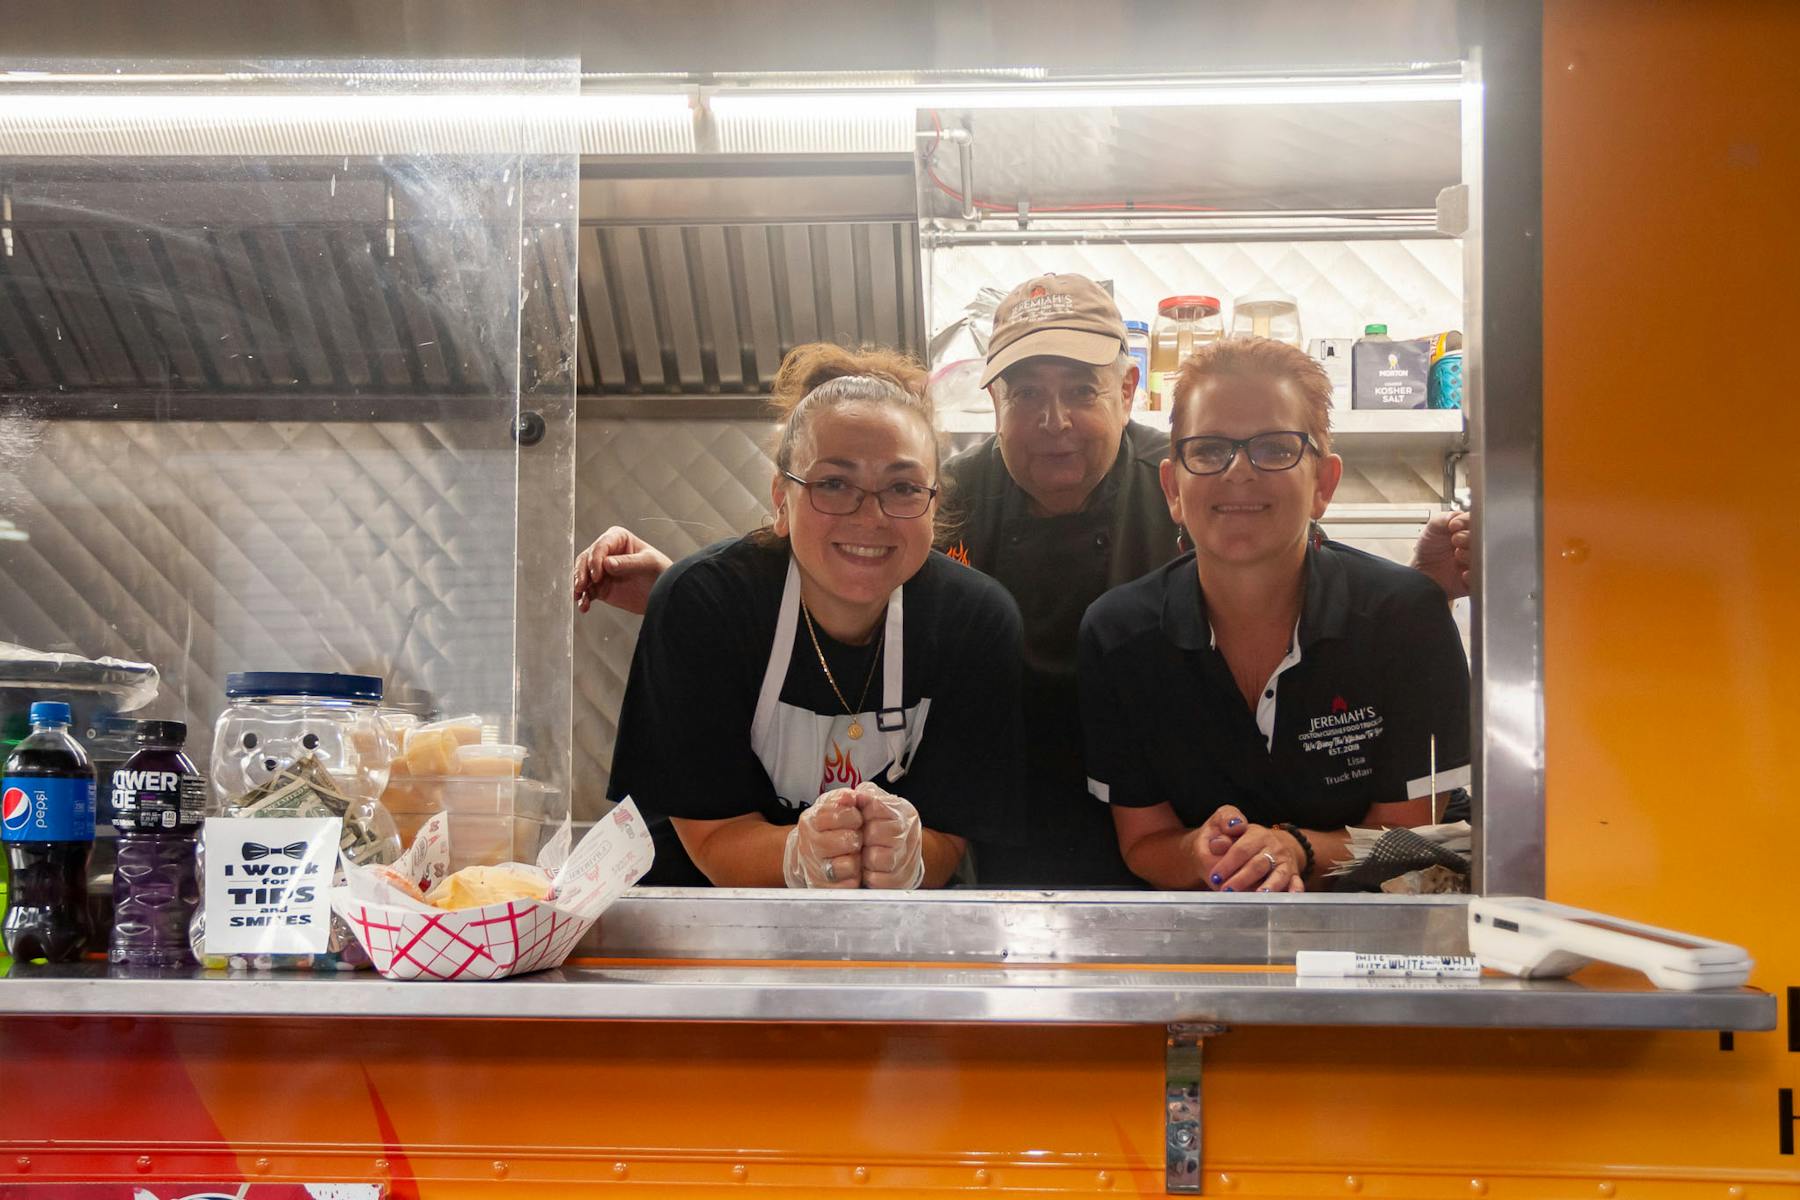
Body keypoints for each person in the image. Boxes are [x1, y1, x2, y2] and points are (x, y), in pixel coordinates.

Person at [605, 345, 1024, 888]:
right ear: (782, 500)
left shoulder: (977, 623)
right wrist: (797, 854)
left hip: (887, 937)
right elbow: (711, 837)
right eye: (833, 484)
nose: (870, 516)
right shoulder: (701, 603)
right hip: (707, 926)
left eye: (901, 487)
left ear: (933, 504)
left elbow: (949, 835)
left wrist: (907, 859)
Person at [1077, 337, 1471, 891]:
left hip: (1366, 948)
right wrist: (1199, 851)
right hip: (1194, 949)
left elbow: (1411, 837)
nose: (1239, 472)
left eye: (1275, 447)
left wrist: (1295, 849)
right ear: (1172, 488)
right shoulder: (1117, 635)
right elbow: (1144, 842)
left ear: (1324, 485)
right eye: (1210, 450)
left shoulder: (1407, 619)